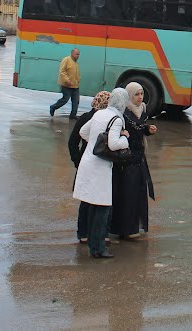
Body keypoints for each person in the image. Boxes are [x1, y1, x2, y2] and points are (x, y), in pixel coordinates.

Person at [73, 87, 130, 258]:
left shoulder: (99, 113)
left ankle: (93, 245)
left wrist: (94, 143)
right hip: (100, 167)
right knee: (103, 208)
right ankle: (98, 248)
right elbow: (113, 144)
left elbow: (82, 132)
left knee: (92, 206)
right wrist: (125, 138)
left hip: (87, 162)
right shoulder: (117, 119)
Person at [110, 81, 158, 240]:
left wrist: (148, 130)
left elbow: (140, 128)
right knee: (127, 194)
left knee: (138, 192)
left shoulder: (142, 110)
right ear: (129, 95)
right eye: (136, 94)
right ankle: (125, 229)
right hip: (127, 160)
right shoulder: (124, 113)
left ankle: (135, 226)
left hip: (139, 158)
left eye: (141, 94)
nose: (139, 97)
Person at [69, 91, 114, 244]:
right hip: (90, 164)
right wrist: (77, 161)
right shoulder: (89, 119)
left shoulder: (99, 118)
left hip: (91, 164)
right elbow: (73, 142)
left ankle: (89, 233)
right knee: (93, 200)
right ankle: (89, 233)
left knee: (89, 199)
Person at [50, 48, 82, 118]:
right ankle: (53, 107)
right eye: (76, 54)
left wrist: (78, 79)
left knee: (76, 101)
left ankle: (73, 115)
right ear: (72, 53)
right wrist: (67, 80)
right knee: (65, 100)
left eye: (78, 54)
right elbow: (62, 71)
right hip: (66, 85)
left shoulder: (76, 63)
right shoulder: (66, 60)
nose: (78, 56)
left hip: (75, 85)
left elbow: (76, 73)